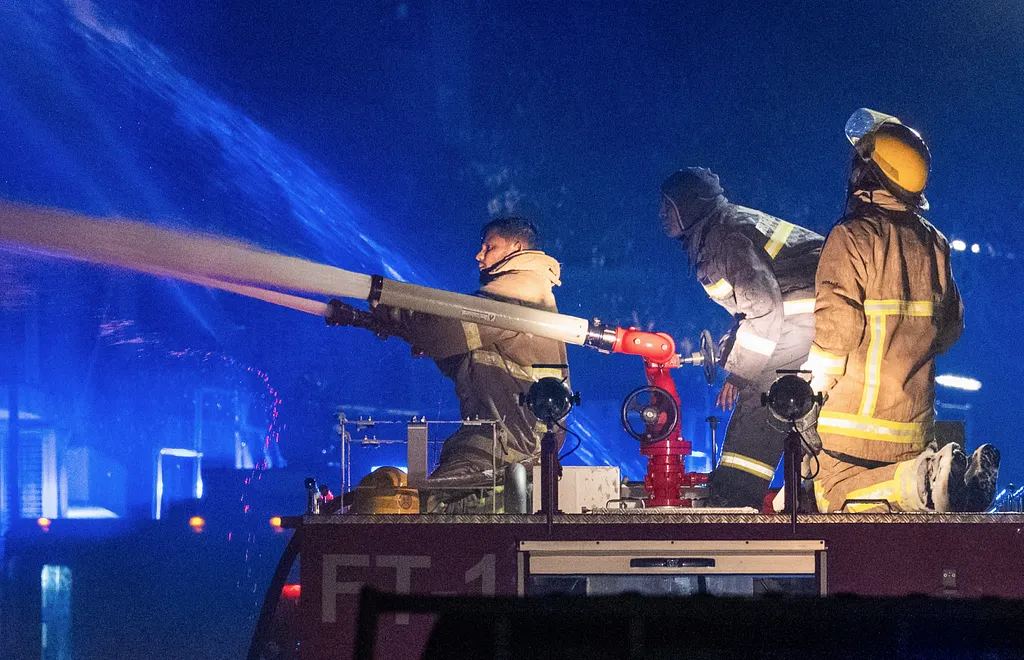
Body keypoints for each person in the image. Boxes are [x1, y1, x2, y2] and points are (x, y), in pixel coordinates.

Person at [804, 108, 998, 513]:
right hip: (913, 431)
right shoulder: (934, 244)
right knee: (898, 510)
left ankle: (922, 480)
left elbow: (838, 330)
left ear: (867, 174)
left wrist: (812, 389)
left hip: (850, 432)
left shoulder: (851, 236)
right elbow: (950, 331)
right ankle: (951, 484)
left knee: (832, 495)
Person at [326, 216, 569, 509]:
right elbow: (477, 363)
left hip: (498, 450)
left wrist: (388, 306)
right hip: (515, 448)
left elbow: (443, 330)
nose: (479, 255)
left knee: (422, 512)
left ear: (517, 248)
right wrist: (402, 331)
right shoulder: (534, 293)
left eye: (489, 247)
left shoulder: (518, 291)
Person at [659, 167, 824, 509]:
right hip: (804, 316)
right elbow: (754, 305)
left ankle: (734, 499)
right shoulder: (717, 233)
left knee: (761, 397)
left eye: (668, 207)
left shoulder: (725, 239)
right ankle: (807, 491)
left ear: (689, 206)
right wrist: (734, 343)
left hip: (805, 317)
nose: (661, 215)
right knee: (784, 397)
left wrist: (738, 373)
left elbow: (764, 307)